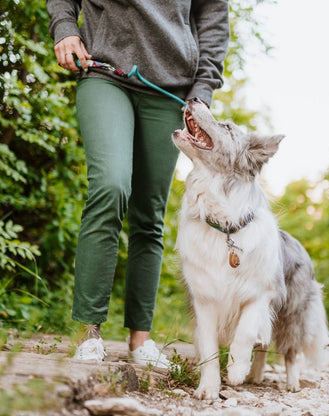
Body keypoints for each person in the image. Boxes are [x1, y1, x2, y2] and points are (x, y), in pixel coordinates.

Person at [47, 0, 229, 365]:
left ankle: (139, 342)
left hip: (169, 90)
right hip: (103, 71)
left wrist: (202, 90)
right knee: (111, 186)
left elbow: (212, 17)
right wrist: (65, 28)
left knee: (150, 214)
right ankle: (89, 335)